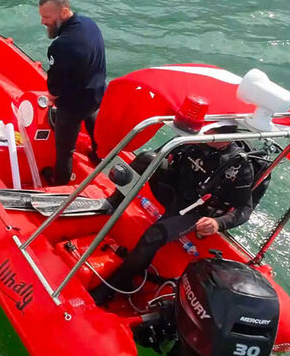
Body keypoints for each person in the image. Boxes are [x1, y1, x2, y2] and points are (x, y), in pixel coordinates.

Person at [90, 126, 256, 306]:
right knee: (147, 158)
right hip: (173, 189)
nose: (205, 134)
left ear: (228, 137)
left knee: (152, 236)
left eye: (212, 132)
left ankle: (116, 284)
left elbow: (244, 209)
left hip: (194, 210)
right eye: (207, 129)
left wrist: (218, 223)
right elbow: (157, 154)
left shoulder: (239, 166)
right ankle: (112, 203)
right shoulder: (192, 138)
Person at [39, 0, 106, 185]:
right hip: (96, 95)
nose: (43, 22)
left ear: (63, 11)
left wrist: (49, 100)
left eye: (47, 17)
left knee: (64, 149)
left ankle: (59, 184)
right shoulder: (89, 24)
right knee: (95, 129)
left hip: (73, 105)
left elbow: (55, 86)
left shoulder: (61, 45)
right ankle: (99, 155)